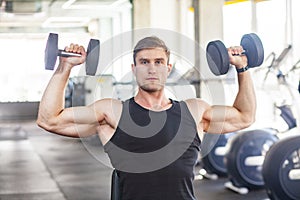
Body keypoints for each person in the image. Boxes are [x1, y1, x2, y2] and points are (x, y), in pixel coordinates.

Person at [37, 36, 256, 200]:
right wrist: (64, 67)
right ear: (134, 69)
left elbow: (244, 117)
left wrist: (242, 68)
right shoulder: (112, 113)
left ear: (168, 68)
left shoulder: (195, 112)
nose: (152, 69)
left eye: (159, 62)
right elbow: (49, 119)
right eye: (144, 62)